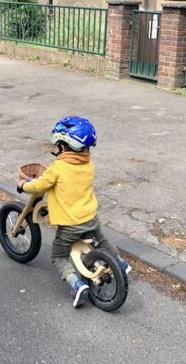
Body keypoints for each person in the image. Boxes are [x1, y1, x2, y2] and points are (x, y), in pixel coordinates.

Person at [19, 117, 130, 308]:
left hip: (70, 225)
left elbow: (39, 185)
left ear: (63, 147)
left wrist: (23, 185)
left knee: (58, 256)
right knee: (102, 241)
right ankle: (120, 262)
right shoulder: (89, 165)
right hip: (90, 218)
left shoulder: (58, 168)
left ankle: (77, 285)